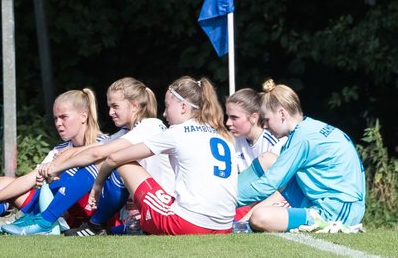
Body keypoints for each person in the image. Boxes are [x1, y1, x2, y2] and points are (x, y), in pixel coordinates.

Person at [87, 77, 236, 235]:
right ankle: (126, 227)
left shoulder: (176, 132)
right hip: (225, 227)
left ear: (183, 107)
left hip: (188, 225)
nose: (164, 114)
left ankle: (95, 225)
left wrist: (97, 186)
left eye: (167, 106)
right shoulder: (223, 136)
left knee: (124, 163)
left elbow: (113, 158)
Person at [39, 77, 174, 236]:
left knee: (117, 164)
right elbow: (94, 149)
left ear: (135, 105)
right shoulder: (127, 131)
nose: (110, 112)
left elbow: (98, 153)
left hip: (164, 208)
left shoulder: (150, 125)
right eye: (109, 106)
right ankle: (45, 219)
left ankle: (62, 222)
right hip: (142, 211)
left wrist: (58, 168)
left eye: (115, 106)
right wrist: (60, 163)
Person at [0, 89, 105, 236]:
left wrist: (65, 159)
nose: (58, 123)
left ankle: (28, 220)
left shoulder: (105, 143)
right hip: (60, 209)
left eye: (64, 117)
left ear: (83, 116)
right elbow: (30, 178)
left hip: (91, 211)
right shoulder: (59, 149)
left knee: (68, 172)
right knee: (3, 183)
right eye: (55, 118)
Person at [238, 80, 366, 233]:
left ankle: (218, 202)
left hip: (338, 211)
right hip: (331, 200)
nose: (264, 126)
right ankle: (221, 191)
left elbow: (268, 185)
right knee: (267, 159)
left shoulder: (301, 139)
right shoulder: (306, 128)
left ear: (282, 113)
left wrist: (225, 202)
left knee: (260, 217)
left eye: (266, 119)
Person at [226, 87, 283, 173]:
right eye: (228, 117)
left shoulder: (273, 144)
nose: (228, 123)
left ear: (254, 118)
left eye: (234, 118)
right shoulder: (230, 140)